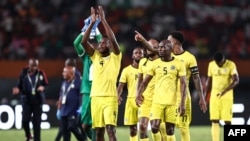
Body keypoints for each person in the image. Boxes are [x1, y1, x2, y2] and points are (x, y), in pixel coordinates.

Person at [81, 6, 122, 141]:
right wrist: (92, 23)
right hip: (95, 98)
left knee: (111, 131)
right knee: (98, 132)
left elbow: (113, 39)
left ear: (110, 46)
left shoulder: (115, 56)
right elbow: (83, 42)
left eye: (105, 42)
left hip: (110, 98)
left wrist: (103, 20)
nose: (101, 44)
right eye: (100, 42)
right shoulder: (95, 56)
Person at [137, 39, 187, 141]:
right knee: (154, 128)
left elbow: (183, 84)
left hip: (171, 102)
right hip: (157, 102)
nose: (160, 49)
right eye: (159, 47)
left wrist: (182, 103)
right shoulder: (155, 64)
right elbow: (145, 81)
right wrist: (138, 94)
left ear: (170, 49)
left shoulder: (179, 64)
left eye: (163, 47)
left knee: (170, 130)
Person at [167, 31, 207, 141]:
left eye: (168, 40)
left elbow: (196, 78)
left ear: (174, 42)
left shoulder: (190, 58)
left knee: (184, 128)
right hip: (168, 97)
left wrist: (202, 97)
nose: (166, 42)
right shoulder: (167, 56)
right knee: (167, 127)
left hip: (183, 97)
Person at [134, 31, 168, 141]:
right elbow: (139, 80)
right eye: (148, 45)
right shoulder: (142, 61)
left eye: (153, 47)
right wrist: (137, 94)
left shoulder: (162, 60)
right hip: (146, 99)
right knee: (143, 127)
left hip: (159, 99)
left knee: (159, 129)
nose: (149, 48)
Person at [73, 16, 102, 141]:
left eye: (94, 46)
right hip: (87, 91)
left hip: (100, 92)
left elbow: (102, 42)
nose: (92, 48)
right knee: (84, 125)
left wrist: (97, 30)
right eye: (90, 46)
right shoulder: (85, 57)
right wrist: (85, 30)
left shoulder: (102, 57)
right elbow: (76, 43)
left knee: (98, 124)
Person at [204, 51, 239, 141]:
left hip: (227, 95)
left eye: (221, 62)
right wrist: (204, 96)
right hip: (215, 95)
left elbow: (236, 80)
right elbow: (209, 81)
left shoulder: (231, 65)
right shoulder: (211, 65)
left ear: (224, 59)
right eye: (217, 62)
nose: (219, 64)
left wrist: (225, 91)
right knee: (214, 120)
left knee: (227, 121)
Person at [12, 58, 48, 141]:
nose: (35, 67)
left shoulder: (41, 73)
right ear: (29, 65)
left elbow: (46, 84)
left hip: (37, 101)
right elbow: (19, 85)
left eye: (36, 66)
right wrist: (17, 89)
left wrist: (43, 87)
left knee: (37, 123)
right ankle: (28, 135)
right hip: (26, 101)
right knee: (25, 120)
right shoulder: (24, 72)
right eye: (33, 66)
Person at [117, 47, 144, 141]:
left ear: (144, 56)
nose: (138, 55)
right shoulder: (126, 70)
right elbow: (121, 85)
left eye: (140, 53)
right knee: (132, 128)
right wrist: (117, 95)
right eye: (136, 53)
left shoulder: (147, 69)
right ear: (133, 56)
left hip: (143, 100)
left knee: (143, 127)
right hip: (130, 100)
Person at [55, 58, 85, 141]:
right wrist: (59, 105)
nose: (63, 73)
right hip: (64, 110)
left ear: (70, 68)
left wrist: (81, 106)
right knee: (65, 132)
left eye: (66, 69)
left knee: (72, 127)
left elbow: (82, 94)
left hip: (73, 110)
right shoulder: (64, 83)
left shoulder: (78, 80)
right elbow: (62, 94)